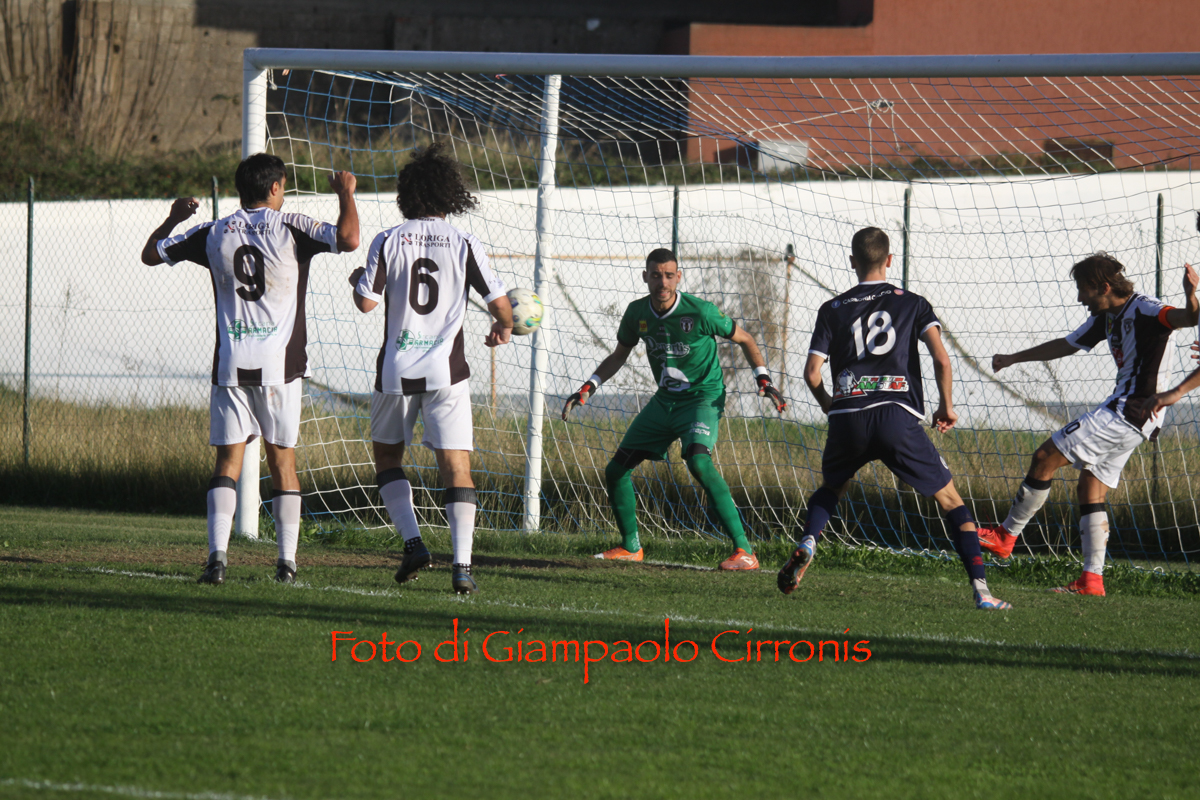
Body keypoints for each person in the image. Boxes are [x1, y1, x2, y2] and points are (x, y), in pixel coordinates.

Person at [141, 153, 360, 585]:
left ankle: (216, 560)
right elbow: (350, 239)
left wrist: (173, 219)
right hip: (280, 368)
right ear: (275, 187)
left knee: (227, 463)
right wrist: (346, 194)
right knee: (283, 463)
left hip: (232, 364)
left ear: (241, 189)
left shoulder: (213, 231)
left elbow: (151, 255)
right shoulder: (291, 226)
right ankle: (286, 564)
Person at [778, 227, 1010, 609]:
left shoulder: (831, 309)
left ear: (852, 261)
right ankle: (982, 591)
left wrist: (829, 405)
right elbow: (941, 360)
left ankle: (808, 541)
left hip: (848, 416)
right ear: (889, 260)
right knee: (951, 500)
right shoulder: (913, 303)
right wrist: (946, 406)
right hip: (895, 417)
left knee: (832, 488)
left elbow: (812, 374)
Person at [977, 255, 1198, 596]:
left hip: (1131, 410)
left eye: (1083, 290)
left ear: (1104, 287)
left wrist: (1191, 295)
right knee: (1090, 486)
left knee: (1045, 457)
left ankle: (1006, 536)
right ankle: (1091, 580)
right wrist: (1014, 358)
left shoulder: (1146, 309)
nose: (1080, 298)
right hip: (1135, 415)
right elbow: (1067, 344)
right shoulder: (1106, 317)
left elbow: (1188, 318)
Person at [349, 142, 512, 595]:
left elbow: (366, 303)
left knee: (388, 459)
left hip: (396, 371)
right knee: (456, 466)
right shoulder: (464, 241)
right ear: (449, 194)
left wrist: (357, 281)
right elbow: (500, 306)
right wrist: (503, 327)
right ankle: (462, 566)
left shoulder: (388, 239)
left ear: (406, 195)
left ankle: (414, 543)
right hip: (447, 372)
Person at [561, 248, 786, 570]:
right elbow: (619, 356)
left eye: (669, 276)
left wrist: (763, 379)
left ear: (678, 277)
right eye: (656, 275)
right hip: (664, 401)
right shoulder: (637, 313)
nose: (662, 283)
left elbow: (746, 339)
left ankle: (744, 551)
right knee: (616, 470)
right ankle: (630, 547)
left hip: (702, 398)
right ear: (646, 277)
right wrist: (589, 386)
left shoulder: (701, 312)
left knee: (698, 461)